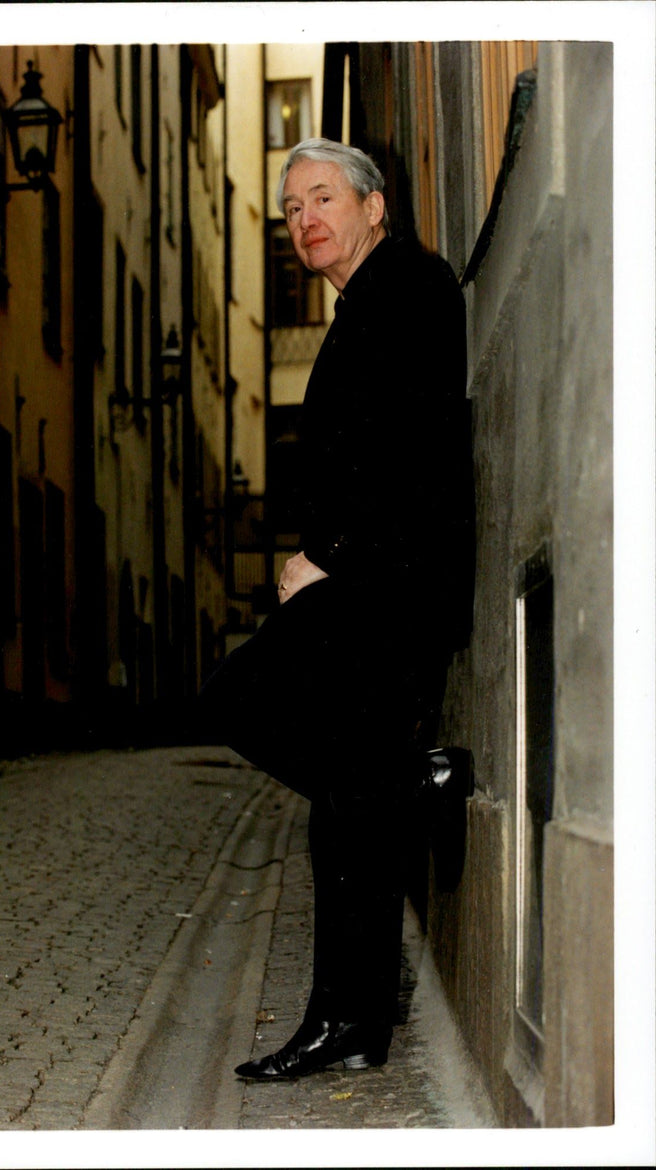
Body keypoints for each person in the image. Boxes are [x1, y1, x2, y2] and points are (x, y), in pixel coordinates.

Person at [198, 138, 474, 1080]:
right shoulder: (370, 301)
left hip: (390, 586)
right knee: (346, 804)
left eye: (323, 198)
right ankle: (350, 1023)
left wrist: (324, 558)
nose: (305, 218)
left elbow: (408, 455)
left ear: (375, 207)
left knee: (241, 694)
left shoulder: (409, 289)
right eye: (291, 208)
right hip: (371, 582)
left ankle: (406, 783)